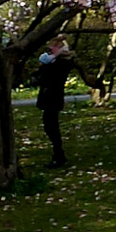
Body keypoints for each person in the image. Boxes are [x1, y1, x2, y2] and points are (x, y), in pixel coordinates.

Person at [35, 40, 78, 169]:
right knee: (49, 126)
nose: (50, 50)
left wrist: (58, 55)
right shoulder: (53, 61)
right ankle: (58, 154)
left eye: (53, 48)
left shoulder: (62, 63)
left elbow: (52, 75)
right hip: (48, 96)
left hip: (53, 98)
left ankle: (59, 155)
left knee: (52, 127)